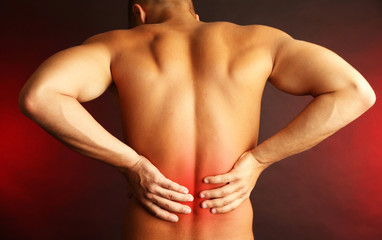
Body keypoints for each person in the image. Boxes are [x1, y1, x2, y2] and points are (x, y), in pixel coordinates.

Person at [18, 0, 376, 239]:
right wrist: (258, 160)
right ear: (194, 11)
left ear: (138, 13)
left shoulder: (116, 45)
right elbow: (356, 92)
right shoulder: (258, 41)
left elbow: (40, 96)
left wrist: (132, 164)